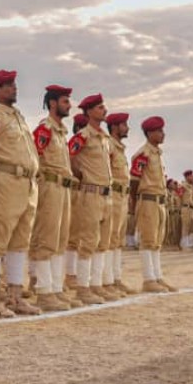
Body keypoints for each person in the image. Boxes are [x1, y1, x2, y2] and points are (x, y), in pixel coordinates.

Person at [0, 69, 41, 318]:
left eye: (13, 83)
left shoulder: (19, 117)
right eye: (7, 85)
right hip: (5, 179)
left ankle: (15, 295)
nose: (13, 88)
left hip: (27, 182)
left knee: (20, 241)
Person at [29, 84, 74, 312]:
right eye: (65, 101)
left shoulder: (61, 131)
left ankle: (56, 288)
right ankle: (44, 291)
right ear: (53, 103)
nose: (69, 105)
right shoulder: (45, 129)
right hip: (49, 185)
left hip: (64, 188)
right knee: (47, 238)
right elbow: (34, 155)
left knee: (60, 239)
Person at [66, 94, 112, 305]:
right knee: (87, 242)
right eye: (100, 107)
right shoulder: (82, 136)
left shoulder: (103, 138)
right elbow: (69, 156)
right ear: (90, 111)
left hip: (106, 194)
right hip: (90, 192)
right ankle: (83, 287)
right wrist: (80, 175)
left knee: (101, 242)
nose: (104, 110)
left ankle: (96, 285)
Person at [129, 116, 173, 293]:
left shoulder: (156, 154)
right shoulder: (143, 154)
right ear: (150, 133)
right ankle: (148, 279)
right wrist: (133, 201)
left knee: (156, 242)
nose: (163, 134)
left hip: (159, 201)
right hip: (147, 200)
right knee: (148, 240)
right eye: (159, 131)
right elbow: (134, 181)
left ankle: (157, 277)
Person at [105, 111, 133, 293]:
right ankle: (106, 280)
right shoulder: (109, 146)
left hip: (122, 196)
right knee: (108, 238)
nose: (127, 128)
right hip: (112, 195)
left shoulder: (119, 148)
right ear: (115, 127)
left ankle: (116, 278)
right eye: (123, 124)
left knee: (117, 240)